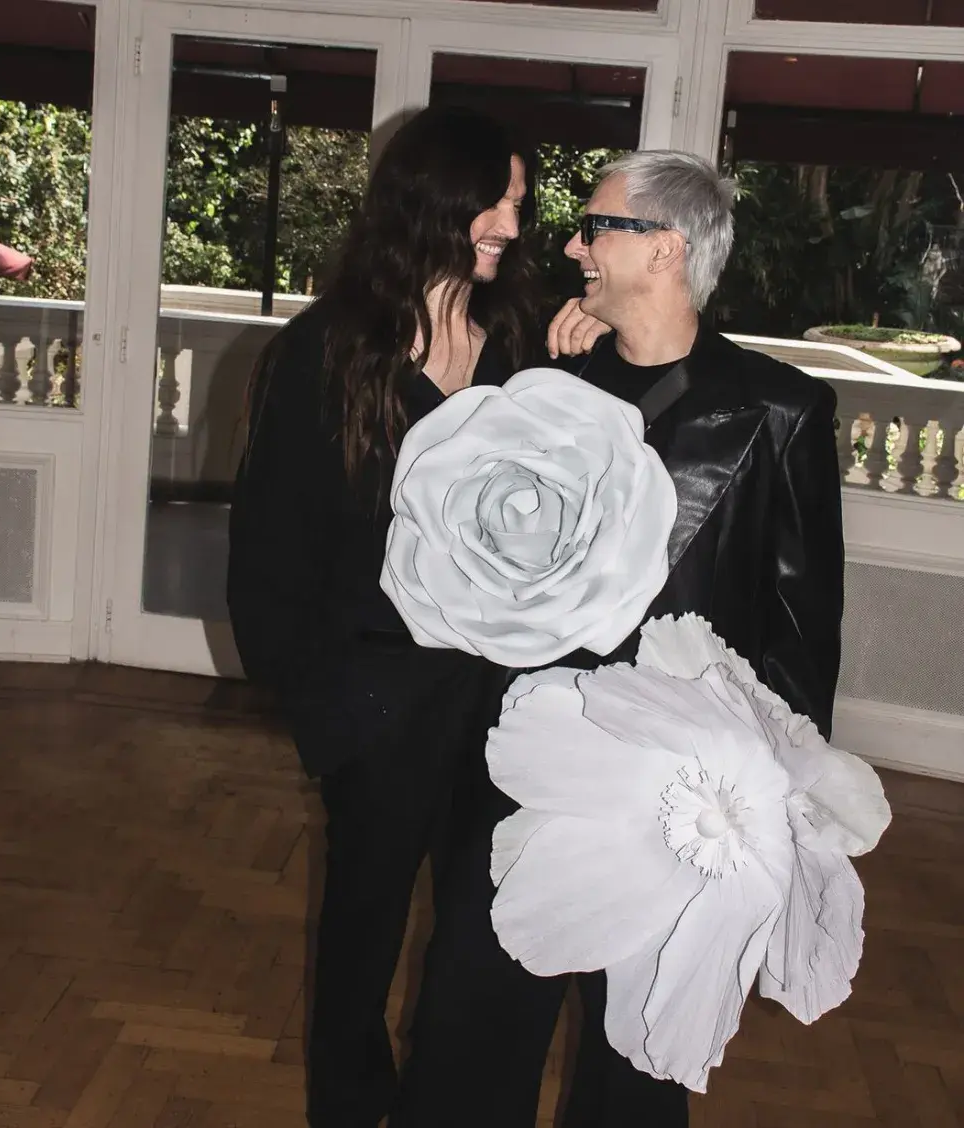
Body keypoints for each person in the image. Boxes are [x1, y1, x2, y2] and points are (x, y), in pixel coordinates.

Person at [390, 150, 845, 1128]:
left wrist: (785, 816)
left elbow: (801, 639)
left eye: (596, 226)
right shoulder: (546, 377)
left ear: (667, 249)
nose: (571, 244)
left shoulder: (779, 414)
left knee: (633, 1062)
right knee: (467, 1028)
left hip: (676, 801)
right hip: (523, 764)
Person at [226, 104, 549, 1128]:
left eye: (517, 203)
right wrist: (324, 705)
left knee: (481, 927)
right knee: (362, 937)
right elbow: (268, 548)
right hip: (376, 699)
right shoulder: (329, 350)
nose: (509, 220)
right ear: (434, 201)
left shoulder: (523, 337)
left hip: (500, 700)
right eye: (494, 199)